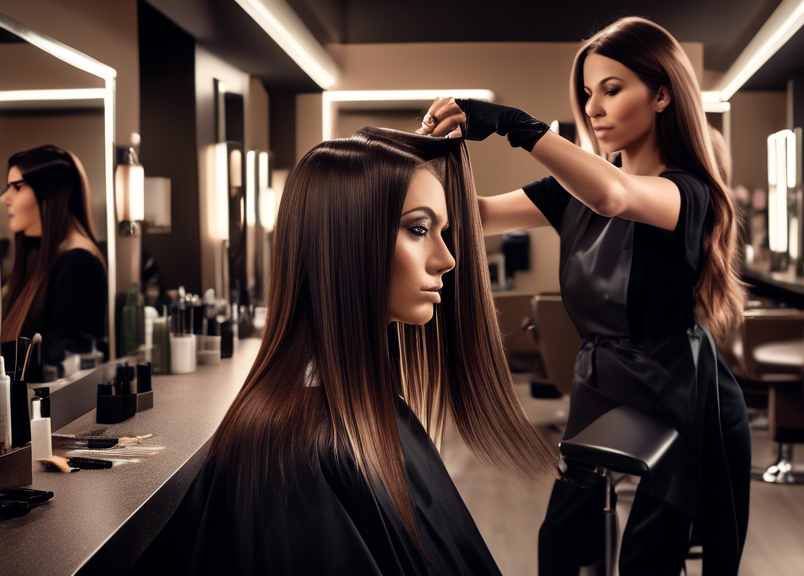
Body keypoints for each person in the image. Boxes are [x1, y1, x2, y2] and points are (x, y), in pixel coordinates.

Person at [131, 127, 553, 575]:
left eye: (442, 232)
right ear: (346, 239)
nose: (447, 258)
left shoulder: (364, 409)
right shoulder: (298, 452)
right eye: (418, 229)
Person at [420, 16, 751, 576]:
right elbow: (474, 216)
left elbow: (614, 195)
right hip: (603, 383)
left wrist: (512, 124)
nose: (593, 107)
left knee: (652, 557)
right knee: (565, 546)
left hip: (684, 393)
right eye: (587, 93)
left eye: (613, 90)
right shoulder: (572, 192)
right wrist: (431, 156)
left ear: (663, 95)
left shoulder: (686, 194)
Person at [0, 145, 107, 374]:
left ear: (50, 192)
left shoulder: (78, 263)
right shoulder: (42, 256)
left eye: (17, 187)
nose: (4, 198)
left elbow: (67, 361)